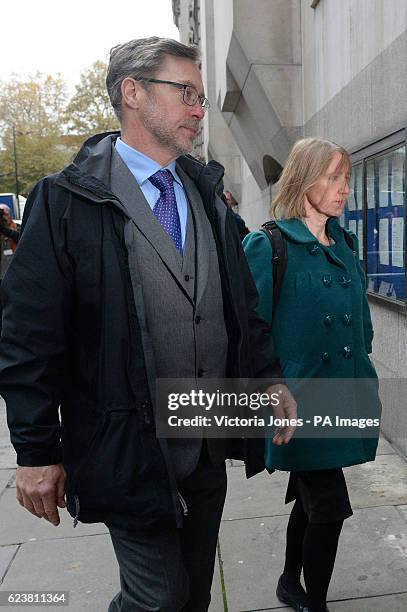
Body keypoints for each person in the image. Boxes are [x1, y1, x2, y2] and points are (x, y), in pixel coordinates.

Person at [0, 37, 296, 612]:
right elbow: (28, 338)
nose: (197, 110)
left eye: (202, 99)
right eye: (185, 93)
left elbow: (243, 308)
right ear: (132, 93)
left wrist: (271, 381)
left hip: (207, 439)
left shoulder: (208, 196)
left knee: (190, 595)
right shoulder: (65, 202)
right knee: (155, 598)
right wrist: (35, 451)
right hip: (127, 446)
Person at [243, 138, 381, 612]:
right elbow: (250, 332)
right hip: (296, 404)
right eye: (333, 177)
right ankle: (314, 602)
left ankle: (288, 582)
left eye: (346, 178)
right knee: (329, 505)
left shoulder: (343, 241)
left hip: (342, 398)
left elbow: (359, 316)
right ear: (304, 178)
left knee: (310, 500)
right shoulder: (269, 244)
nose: (344, 189)